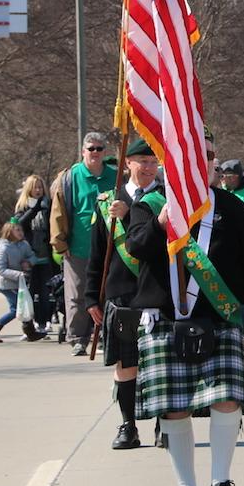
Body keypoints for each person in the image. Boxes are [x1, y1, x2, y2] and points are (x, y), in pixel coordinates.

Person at [119, 141, 244, 486]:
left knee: (226, 400)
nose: (206, 164)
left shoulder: (230, 207)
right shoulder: (151, 205)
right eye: (195, 157)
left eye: (208, 158)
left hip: (218, 318)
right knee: (174, 409)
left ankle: (221, 483)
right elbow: (136, 249)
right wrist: (161, 222)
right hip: (165, 320)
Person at [85, 135, 165, 451]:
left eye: (152, 162)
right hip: (121, 292)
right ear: (127, 164)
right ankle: (128, 425)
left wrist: (129, 215)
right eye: (141, 162)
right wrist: (92, 297)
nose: (147, 167)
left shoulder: (165, 199)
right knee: (126, 365)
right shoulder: (107, 202)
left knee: (158, 365)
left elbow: (156, 243)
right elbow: (96, 254)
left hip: (158, 292)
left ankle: (164, 424)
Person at [51, 132, 118, 354]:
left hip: (110, 247)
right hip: (78, 247)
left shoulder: (116, 176)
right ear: (83, 151)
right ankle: (78, 337)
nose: (95, 153)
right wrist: (60, 244)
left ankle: (105, 335)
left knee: (108, 293)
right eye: (91, 149)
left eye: (99, 149)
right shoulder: (69, 177)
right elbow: (58, 213)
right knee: (77, 295)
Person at [13, 175, 55, 333]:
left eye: (40, 187)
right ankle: (29, 324)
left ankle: (44, 321)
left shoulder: (48, 205)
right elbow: (19, 225)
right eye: (34, 187)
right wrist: (34, 209)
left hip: (45, 255)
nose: (38, 190)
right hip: (28, 256)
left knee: (46, 291)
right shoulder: (22, 206)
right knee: (29, 291)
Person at [0, 220, 42, 342]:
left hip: (19, 282)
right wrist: (19, 274)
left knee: (20, 307)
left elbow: (32, 256)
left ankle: (29, 332)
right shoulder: (3, 247)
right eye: (17, 230)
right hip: (6, 284)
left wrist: (29, 262)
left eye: (21, 230)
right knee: (19, 308)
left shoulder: (24, 244)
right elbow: (1, 269)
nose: (20, 233)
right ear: (9, 232)